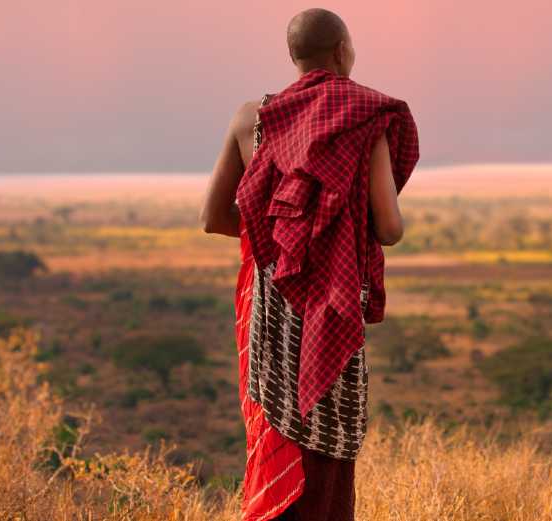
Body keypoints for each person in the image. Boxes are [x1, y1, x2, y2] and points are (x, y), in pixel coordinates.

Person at [199, 8, 419, 521]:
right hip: (331, 302)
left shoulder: (250, 117)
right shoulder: (364, 118)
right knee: (328, 447)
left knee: (276, 427)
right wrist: (330, 238)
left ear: (293, 57)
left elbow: (212, 216)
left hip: (272, 302)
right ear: (343, 51)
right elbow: (389, 228)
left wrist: (282, 240)